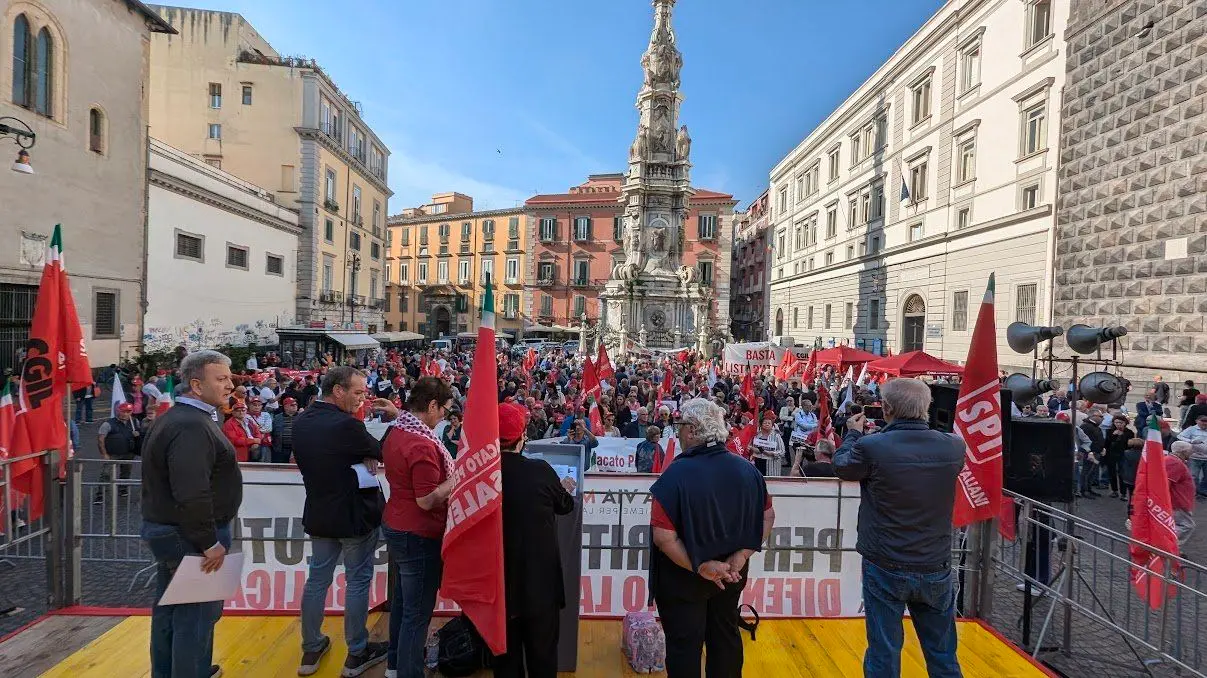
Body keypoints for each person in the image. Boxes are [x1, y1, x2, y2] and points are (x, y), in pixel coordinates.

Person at [833, 378, 965, 678]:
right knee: (943, 654)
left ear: (887, 408)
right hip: (935, 562)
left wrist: (852, 435)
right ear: (926, 408)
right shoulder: (955, 446)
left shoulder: (871, 446)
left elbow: (842, 467)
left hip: (885, 563)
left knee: (884, 651)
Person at [648, 398, 775, 678]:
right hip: (731, 575)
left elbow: (663, 537)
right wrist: (741, 555)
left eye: (680, 426)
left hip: (683, 579)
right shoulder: (748, 470)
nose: (678, 432)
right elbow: (768, 516)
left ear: (692, 430)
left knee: (684, 647)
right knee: (726, 636)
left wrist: (701, 566)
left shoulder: (675, 474)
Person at [140, 350, 240, 678]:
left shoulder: (182, 418)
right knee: (196, 618)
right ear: (196, 385)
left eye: (229, 377)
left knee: (172, 611)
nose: (230, 384)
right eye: (221, 378)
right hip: (190, 535)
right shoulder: (190, 426)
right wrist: (208, 541)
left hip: (175, 530)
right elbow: (192, 491)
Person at [293, 366, 398, 677]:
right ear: (337, 390)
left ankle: (310, 648)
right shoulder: (346, 426)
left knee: (316, 581)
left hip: (320, 514)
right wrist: (392, 419)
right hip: (354, 517)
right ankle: (357, 651)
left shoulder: (301, 421)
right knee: (357, 581)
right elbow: (381, 451)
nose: (362, 398)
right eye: (357, 393)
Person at [493, 402, 577, 678]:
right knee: (542, 657)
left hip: (497, 587)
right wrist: (564, 488)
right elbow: (565, 505)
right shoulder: (540, 470)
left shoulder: (482, 475)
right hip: (539, 586)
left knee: (505, 660)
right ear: (523, 436)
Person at [381, 376, 455, 678]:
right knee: (417, 613)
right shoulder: (422, 445)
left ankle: (395, 663)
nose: (445, 417)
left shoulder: (399, 430)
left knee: (402, 601)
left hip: (397, 523)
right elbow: (426, 500)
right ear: (432, 405)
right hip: (419, 532)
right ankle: (409, 671)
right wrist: (455, 479)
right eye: (445, 410)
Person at [94, 402, 142, 504]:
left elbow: (140, 435)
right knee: (106, 474)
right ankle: (100, 495)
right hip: (112, 454)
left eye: (128, 411)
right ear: (118, 411)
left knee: (126, 473)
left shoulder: (135, 422)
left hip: (128, 453)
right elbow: (100, 439)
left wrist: (137, 435)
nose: (125, 414)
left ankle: (123, 489)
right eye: (123, 411)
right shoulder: (108, 424)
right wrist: (104, 454)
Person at [1168, 441, 1196, 545]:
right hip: (1178, 502)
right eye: (1190, 451)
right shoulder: (1175, 463)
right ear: (1183, 451)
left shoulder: (1175, 461)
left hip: (1179, 501)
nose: (1192, 453)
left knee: (1180, 524)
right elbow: (1167, 483)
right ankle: (1169, 546)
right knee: (1186, 526)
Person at [1104, 415, 1135, 499]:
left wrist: (1122, 435)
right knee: (1112, 473)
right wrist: (1114, 436)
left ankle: (1123, 493)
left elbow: (1129, 444)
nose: (1118, 424)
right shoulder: (1110, 431)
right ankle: (1114, 490)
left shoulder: (1129, 432)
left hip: (1123, 454)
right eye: (1116, 422)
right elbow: (1107, 444)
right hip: (1111, 454)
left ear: (1125, 423)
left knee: (1122, 474)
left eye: (1120, 423)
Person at [1176, 413, 1207, 497]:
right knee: (1193, 476)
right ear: (1197, 421)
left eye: (1206, 421)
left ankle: (1203, 491)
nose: (1205, 423)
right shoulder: (1191, 429)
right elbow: (1180, 436)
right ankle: (1193, 492)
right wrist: (1191, 441)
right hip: (1194, 456)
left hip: (1206, 457)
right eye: (1202, 421)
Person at [271, 397, 300, 463]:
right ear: (285, 407)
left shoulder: (302, 416)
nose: (295, 406)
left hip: (297, 450)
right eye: (292, 405)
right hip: (280, 450)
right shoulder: (277, 418)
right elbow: (272, 432)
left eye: (296, 404)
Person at [248, 397, 274, 462]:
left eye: (259, 405)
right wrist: (260, 430)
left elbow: (268, 428)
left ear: (261, 406)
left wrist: (256, 432)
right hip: (251, 444)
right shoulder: (245, 415)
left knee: (265, 464)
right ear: (249, 405)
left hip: (264, 443)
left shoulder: (266, 415)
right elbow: (247, 430)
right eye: (254, 405)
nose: (257, 407)